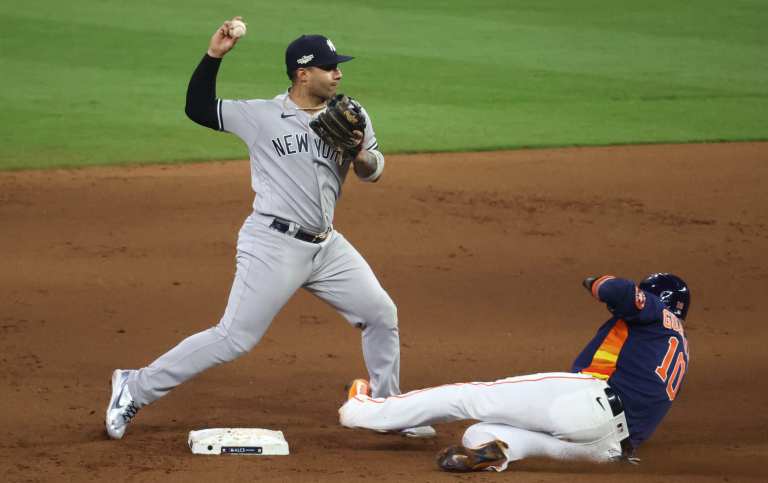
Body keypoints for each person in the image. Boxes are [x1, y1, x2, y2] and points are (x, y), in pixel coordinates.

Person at [105, 17, 434, 440]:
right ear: (302, 74)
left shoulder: (351, 115)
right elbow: (198, 108)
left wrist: (356, 153)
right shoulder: (261, 116)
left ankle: (389, 408)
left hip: (326, 246)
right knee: (233, 338)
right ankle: (133, 386)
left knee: (380, 314)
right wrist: (214, 56)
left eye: (338, 65)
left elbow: (373, 170)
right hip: (273, 243)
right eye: (329, 67)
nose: (339, 73)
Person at [339, 273, 691, 472]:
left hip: (589, 399)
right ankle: (499, 453)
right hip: (610, 447)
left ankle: (362, 412)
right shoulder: (680, 347)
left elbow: (618, 291)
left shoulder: (655, 312)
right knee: (479, 432)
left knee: (469, 397)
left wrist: (595, 281)